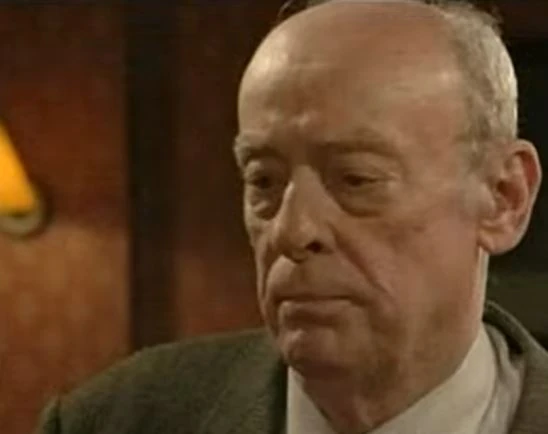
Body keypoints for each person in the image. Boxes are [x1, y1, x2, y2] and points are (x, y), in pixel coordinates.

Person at [36, 1, 548, 433]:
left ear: (504, 197)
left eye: (356, 179)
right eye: (264, 181)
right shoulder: (111, 420)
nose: (292, 230)